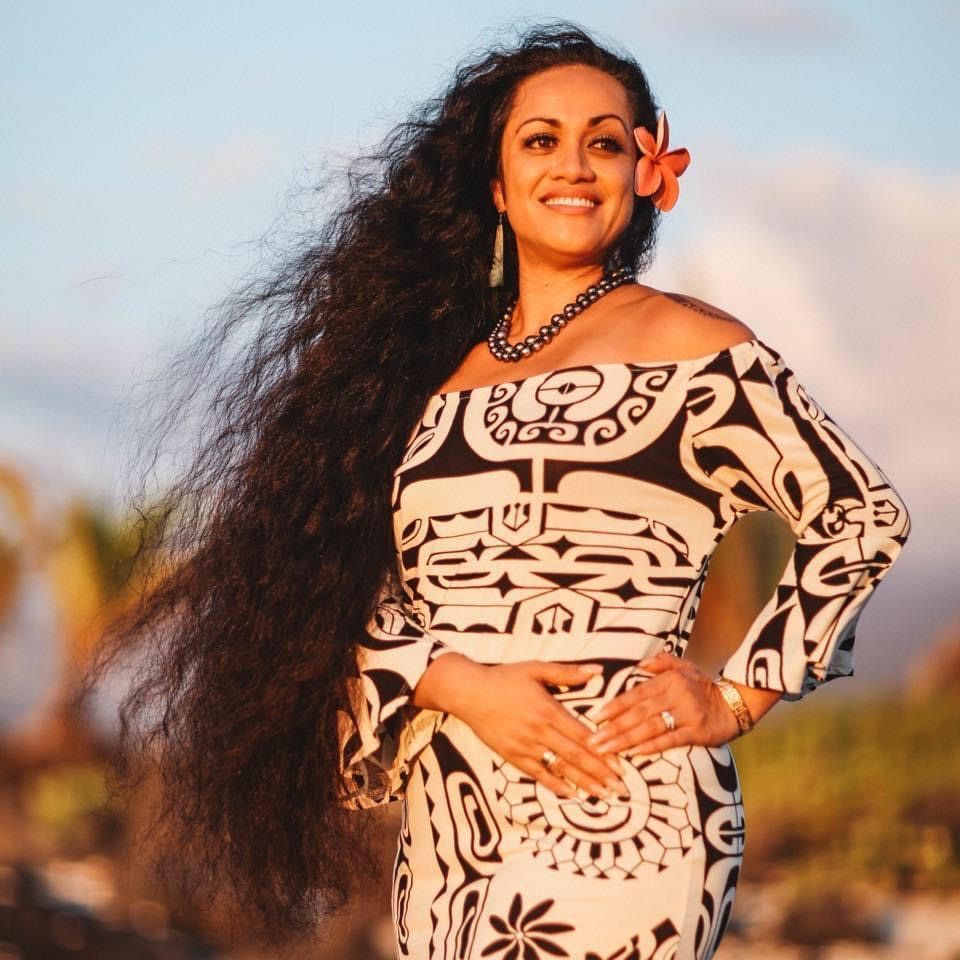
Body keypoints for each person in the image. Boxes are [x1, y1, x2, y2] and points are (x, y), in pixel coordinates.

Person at [82, 21, 912, 960]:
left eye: (605, 141)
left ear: (646, 172)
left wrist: (736, 695)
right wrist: (459, 684)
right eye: (540, 141)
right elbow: (336, 588)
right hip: (451, 822)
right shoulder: (426, 383)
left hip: (626, 804)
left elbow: (860, 514)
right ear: (495, 185)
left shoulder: (694, 347)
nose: (574, 165)